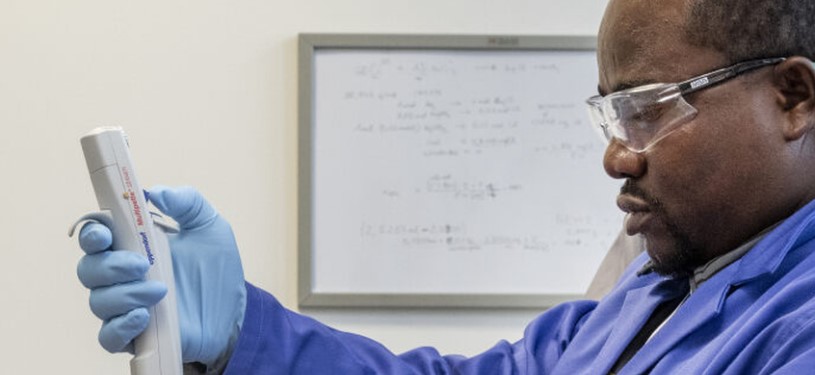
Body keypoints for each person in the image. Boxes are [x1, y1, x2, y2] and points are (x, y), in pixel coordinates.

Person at [74, 0, 815, 373]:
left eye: (648, 110)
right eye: (611, 117)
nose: (617, 159)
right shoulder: (645, 293)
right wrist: (243, 329)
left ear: (792, 97)